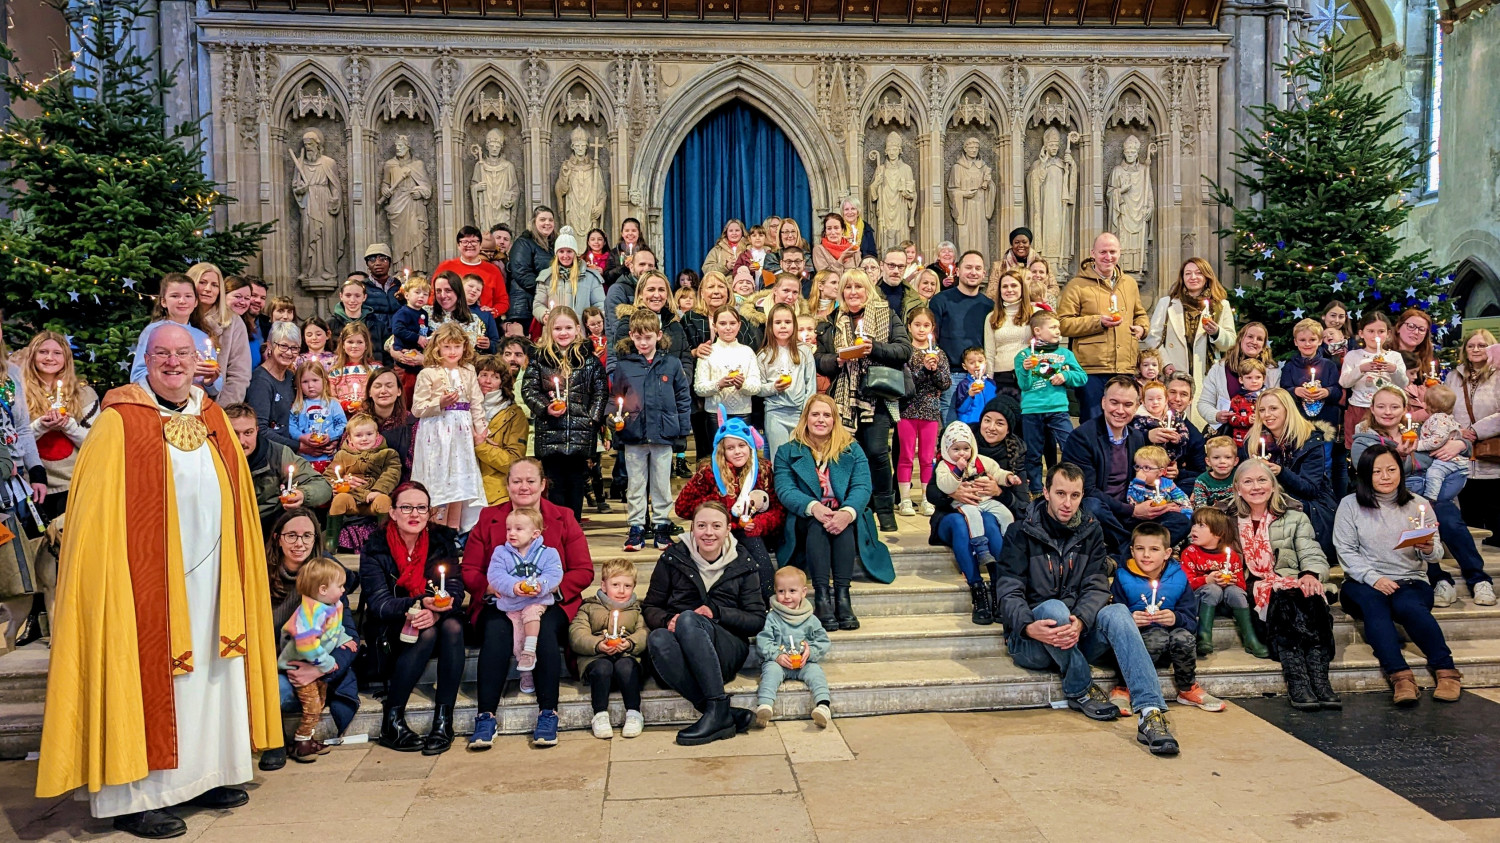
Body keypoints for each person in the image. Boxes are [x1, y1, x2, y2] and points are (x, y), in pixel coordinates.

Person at [36, 323, 280, 838]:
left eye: (183, 354)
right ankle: (138, 794)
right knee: (150, 677)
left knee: (212, 673)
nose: (173, 362)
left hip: (213, 581)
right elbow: (96, 517)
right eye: (162, 353)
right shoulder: (119, 421)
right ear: (146, 359)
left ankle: (208, 774)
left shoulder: (212, 414)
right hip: (141, 583)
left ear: (199, 361)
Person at [994, 463, 1180, 755]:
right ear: (1045, 493)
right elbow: (1008, 590)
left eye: (1075, 495)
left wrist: (1081, 621)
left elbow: (1096, 586)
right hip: (1032, 640)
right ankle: (1080, 688)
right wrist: (1028, 626)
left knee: (1117, 612)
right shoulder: (1020, 532)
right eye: (1060, 493)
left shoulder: (1091, 530)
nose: (1067, 503)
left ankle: (1150, 712)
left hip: (1076, 633)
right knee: (1053, 608)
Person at [461, 458, 595, 748]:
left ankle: (548, 713)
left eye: (530, 481)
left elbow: (583, 570)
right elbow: (470, 569)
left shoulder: (563, 517)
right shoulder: (489, 518)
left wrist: (550, 591)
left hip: (549, 601)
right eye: (517, 481)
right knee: (496, 632)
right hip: (500, 601)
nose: (523, 487)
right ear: (507, 485)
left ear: (543, 484)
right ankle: (485, 716)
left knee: (545, 631)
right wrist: (492, 589)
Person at [1333, 443, 1459, 706]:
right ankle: (1400, 676)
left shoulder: (1418, 504)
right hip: (1363, 582)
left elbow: (1435, 553)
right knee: (1373, 604)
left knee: (1410, 606)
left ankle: (1446, 670)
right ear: (1365, 475)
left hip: (1410, 579)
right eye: (1377, 472)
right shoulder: (1350, 505)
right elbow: (1345, 551)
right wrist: (1374, 579)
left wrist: (1427, 549)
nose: (1385, 476)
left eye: (1391, 469)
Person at [1351, 384, 1494, 607]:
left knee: (1449, 519)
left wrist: (1459, 444)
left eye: (1394, 406)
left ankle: (1479, 579)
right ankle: (1439, 579)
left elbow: (1456, 436)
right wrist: (1400, 456)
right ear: (1372, 408)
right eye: (1381, 406)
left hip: (1432, 496)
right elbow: (1370, 470)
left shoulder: (1420, 430)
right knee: (1417, 527)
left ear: (1404, 408)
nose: (1388, 412)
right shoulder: (1365, 439)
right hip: (1394, 501)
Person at [643, 501, 766, 746]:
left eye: (716, 526)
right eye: (701, 525)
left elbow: (756, 620)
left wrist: (717, 611)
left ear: (728, 529)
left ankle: (717, 712)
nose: (708, 532)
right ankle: (719, 711)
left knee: (690, 618)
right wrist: (667, 619)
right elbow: (650, 607)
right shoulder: (672, 558)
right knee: (657, 638)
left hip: (725, 648)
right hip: (680, 647)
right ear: (692, 529)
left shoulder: (744, 563)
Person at [360, 482, 466, 755]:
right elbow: (379, 604)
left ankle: (444, 721)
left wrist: (434, 610)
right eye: (406, 507)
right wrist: (418, 605)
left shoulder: (442, 540)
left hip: (435, 613)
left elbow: (454, 589)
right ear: (393, 512)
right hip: (392, 622)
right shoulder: (375, 546)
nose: (414, 514)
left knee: (453, 626)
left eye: (421, 508)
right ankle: (391, 720)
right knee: (426, 632)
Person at [1224, 459, 1338, 711]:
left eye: (1262, 480)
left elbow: (1311, 552)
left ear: (1274, 486)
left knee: (1311, 596)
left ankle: (1320, 681)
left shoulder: (1295, 517)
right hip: (1252, 586)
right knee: (1285, 601)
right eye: (1248, 481)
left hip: (1291, 580)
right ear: (1237, 488)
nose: (1256, 487)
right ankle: (1297, 679)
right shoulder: (1226, 519)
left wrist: (1310, 574)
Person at [774, 394, 894, 631]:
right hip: (806, 517)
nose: (821, 420)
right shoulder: (787, 451)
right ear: (805, 418)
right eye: (815, 414)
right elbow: (785, 490)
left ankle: (842, 597)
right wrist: (813, 507)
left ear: (835, 420)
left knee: (844, 524)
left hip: (844, 516)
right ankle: (821, 597)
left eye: (827, 415)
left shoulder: (852, 449)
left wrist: (847, 511)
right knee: (818, 524)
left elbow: (862, 486)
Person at [260, 509, 359, 773]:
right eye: (291, 535)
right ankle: (274, 740)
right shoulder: (258, 571)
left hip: (315, 664)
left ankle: (302, 738)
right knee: (272, 690)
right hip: (270, 661)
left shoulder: (326, 574)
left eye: (307, 535)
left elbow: (347, 632)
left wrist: (320, 666)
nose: (299, 543)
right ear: (278, 538)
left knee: (286, 692)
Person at [815, 269, 911, 532]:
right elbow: (818, 358)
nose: (853, 292)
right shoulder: (832, 320)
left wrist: (874, 348)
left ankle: (884, 509)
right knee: (849, 456)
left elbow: (904, 349)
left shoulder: (887, 314)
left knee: (877, 452)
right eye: (848, 288)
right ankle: (859, 507)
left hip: (876, 396)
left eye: (859, 287)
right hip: (843, 400)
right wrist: (837, 360)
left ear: (868, 289)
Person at [1062, 376, 1191, 558]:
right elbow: (1086, 490)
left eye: (1128, 404)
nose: (1120, 410)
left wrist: (1160, 484)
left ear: (1137, 406)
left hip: (1132, 508)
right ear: (1103, 402)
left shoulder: (1136, 437)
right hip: (1106, 513)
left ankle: (1125, 551)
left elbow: (1143, 474)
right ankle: (1135, 550)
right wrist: (1133, 511)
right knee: (1092, 506)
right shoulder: (1082, 437)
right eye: (1114, 403)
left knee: (1180, 521)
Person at [1109, 523, 1223, 713]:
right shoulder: (1122, 577)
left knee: (1184, 637)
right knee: (1155, 636)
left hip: (1171, 649)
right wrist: (1129, 620)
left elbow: (1190, 621)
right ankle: (1125, 687)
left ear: (1167, 552)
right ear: (1132, 550)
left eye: (1154, 549)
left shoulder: (1178, 578)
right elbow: (1111, 616)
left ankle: (1187, 688)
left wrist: (1175, 618)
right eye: (1140, 549)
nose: (1146, 555)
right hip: (1139, 645)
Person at [613, 309, 693, 552]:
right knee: (636, 484)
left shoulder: (671, 363)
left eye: (648, 337)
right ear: (631, 337)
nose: (643, 342)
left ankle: (661, 526)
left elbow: (682, 398)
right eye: (638, 338)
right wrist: (612, 421)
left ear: (658, 335)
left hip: (663, 434)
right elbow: (615, 397)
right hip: (634, 434)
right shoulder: (625, 365)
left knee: (661, 483)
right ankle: (636, 527)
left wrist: (682, 432)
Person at [523, 307, 607, 519]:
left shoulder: (589, 361)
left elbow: (600, 392)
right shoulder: (540, 360)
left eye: (568, 328)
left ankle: (573, 529)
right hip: (551, 433)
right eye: (557, 328)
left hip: (580, 434)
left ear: (578, 329)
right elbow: (529, 390)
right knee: (554, 486)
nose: (563, 333)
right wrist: (545, 407)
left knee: (576, 485)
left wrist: (591, 420)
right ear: (549, 330)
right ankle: (555, 530)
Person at [1056, 233, 1149, 425]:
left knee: (1124, 422)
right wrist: (1098, 322)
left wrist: (1142, 328)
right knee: (1093, 422)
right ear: (1093, 254)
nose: (1108, 257)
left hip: (1124, 366)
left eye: (1113, 252)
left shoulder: (1129, 284)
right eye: (1103, 252)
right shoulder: (1077, 286)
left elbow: (1140, 313)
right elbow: (1063, 324)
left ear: (1120, 253)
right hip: (1091, 369)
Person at [276, 556, 355, 762]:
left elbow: (336, 629)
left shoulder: (332, 604)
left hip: (316, 665)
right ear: (322, 589)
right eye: (340, 586)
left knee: (319, 702)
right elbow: (306, 644)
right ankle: (301, 742)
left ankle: (308, 739)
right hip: (299, 666)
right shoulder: (309, 614)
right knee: (311, 707)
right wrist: (327, 663)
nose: (343, 590)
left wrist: (345, 639)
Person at [411, 323, 487, 531]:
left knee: (459, 481)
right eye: (447, 347)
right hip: (436, 431)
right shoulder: (428, 374)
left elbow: (476, 403)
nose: (452, 352)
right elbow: (418, 408)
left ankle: (453, 530)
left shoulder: (468, 371)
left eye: (457, 346)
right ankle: (437, 529)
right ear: (437, 348)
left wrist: (480, 432)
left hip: (461, 432)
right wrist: (440, 404)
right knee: (438, 479)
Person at [1243, 388, 1336, 557]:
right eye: (1262, 410)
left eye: (1273, 408)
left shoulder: (1309, 439)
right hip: (1264, 497)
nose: (1267, 415)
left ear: (1287, 409)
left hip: (1304, 502)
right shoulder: (1253, 440)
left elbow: (1310, 489)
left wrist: (1280, 472)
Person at [1145, 258, 1236, 426]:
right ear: (1182, 277)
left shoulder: (1221, 305)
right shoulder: (1167, 303)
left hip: (1205, 373)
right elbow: (1153, 339)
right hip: (1174, 372)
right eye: (1188, 273)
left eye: (1198, 273)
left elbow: (1230, 342)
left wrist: (1216, 333)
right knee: (1173, 422)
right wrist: (1165, 363)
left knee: (1202, 423)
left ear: (1207, 276)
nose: (1193, 277)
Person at [21, 330, 98, 519]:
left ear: (66, 358)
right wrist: (40, 426)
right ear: (33, 356)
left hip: (76, 483)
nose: (49, 358)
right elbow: (13, 443)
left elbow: (96, 443)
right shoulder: (18, 395)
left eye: (57, 353)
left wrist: (68, 426)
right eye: (43, 352)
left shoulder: (85, 394)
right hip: (34, 485)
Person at [569, 558, 648, 739]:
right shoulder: (589, 607)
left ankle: (634, 712)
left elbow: (644, 632)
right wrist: (598, 645)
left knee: (626, 666)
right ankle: (600, 714)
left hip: (627, 658)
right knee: (603, 667)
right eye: (615, 584)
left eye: (627, 586)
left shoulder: (636, 610)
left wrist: (630, 643)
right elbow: (577, 634)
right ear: (603, 586)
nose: (621, 591)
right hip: (595, 659)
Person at [225, 402, 333, 533]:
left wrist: (303, 494)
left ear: (257, 431)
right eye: (234, 433)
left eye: (248, 433)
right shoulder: (209, 457)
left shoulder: (278, 453)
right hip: (225, 526)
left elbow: (322, 486)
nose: (241, 441)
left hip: (268, 525)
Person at [486, 506, 563, 677]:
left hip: (536, 601)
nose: (511, 533)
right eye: (508, 529)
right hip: (512, 604)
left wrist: (539, 586)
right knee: (517, 636)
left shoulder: (549, 553)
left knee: (531, 613)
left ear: (535, 534)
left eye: (518, 529)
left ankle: (529, 650)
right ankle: (525, 674)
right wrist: (514, 586)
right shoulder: (500, 553)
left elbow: (554, 574)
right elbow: (496, 575)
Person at [753, 566, 834, 729]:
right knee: (770, 672)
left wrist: (811, 651)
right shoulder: (773, 617)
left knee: (816, 674)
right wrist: (776, 655)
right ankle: (765, 706)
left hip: (804, 662)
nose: (786, 596)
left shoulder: (810, 619)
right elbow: (763, 640)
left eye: (792, 591)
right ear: (775, 591)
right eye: (781, 591)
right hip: (779, 662)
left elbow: (823, 640)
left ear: (803, 592)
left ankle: (823, 706)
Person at [1015, 311, 1085, 495]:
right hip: (1032, 410)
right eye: (1053, 327)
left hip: (1058, 409)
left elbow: (1082, 377)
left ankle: (1070, 485)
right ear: (1037, 331)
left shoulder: (1065, 354)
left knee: (1070, 445)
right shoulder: (1023, 356)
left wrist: (1065, 375)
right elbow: (1024, 385)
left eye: (1058, 327)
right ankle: (1036, 490)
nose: (1058, 331)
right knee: (1033, 452)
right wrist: (1025, 370)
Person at [1182, 506, 1265, 657]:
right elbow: (1185, 584)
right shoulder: (1190, 552)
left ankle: (1250, 638)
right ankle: (1204, 636)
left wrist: (1232, 581)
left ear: (1218, 533)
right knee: (1213, 589)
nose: (1194, 529)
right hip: (1201, 601)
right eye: (1194, 524)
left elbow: (1241, 584)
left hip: (1226, 604)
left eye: (1201, 525)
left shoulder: (1231, 555)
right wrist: (1207, 579)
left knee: (1235, 591)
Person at [129, 273, 224, 397]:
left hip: (195, 405)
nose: (182, 301)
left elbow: (215, 387)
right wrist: (184, 371)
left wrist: (210, 380)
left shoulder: (203, 336)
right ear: (163, 301)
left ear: (195, 302)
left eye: (188, 296)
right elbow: (138, 376)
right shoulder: (154, 332)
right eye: (175, 296)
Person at [928, 251, 995, 426]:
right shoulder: (941, 300)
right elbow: (933, 338)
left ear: (984, 273)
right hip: (951, 375)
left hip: (980, 376)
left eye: (978, 268)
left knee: (979, 427)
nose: (973, 272)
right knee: (952, 430)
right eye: (968, 267)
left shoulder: (989, 306)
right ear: (957, 271)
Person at [1448, 329, 1500, 548]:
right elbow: (1444, 409)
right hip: (1463, 458)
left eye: (1482, 345)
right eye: (1471, 345)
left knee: (1497, 519)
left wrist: (1476, 430)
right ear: (1465, 349)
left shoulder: (1499, 374)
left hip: (1493, 461)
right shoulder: (1453, 376)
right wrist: (1458, 431)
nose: (1476, 349)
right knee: (1470, 519)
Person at [897, 306, 950, 516]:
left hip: (930, 410)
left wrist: (935, 369)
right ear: (909, 327)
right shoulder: (905, 352)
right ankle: (905, 499)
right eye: (917, 325)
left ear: (932, 328)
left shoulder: (938, 353)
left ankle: (927, 498)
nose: (921, 329)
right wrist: (922, 370)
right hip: (907, 409)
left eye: (926, 325)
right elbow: (906, 383)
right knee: (906, 455)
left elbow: (945, 383)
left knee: (927, 457)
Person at [322, 414, 402, 549]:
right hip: (351, 498)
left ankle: (385, 541)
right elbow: (329, 475)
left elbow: (392, 473)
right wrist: (338, 484)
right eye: (359, 435)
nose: (364, 438)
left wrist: (378, 490)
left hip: (373, 498)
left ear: (377, 435)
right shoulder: (342, 455)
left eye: (369, 434)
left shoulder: (388, 454)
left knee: (384, 501)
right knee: (340, 499)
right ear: (350, 439)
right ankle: (331, 540)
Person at [756, 302, 818, 462]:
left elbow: (810, 385)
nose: (783, 326)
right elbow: (759, 389)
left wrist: (807, 412)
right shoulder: (763, 355)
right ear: (770, 326)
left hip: (799, 413)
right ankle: (781, 487)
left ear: (794, 325)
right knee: (780, 459)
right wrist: (774, 387)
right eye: (778, 322)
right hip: (775, 413)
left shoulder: (804, 351)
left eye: (787, 322)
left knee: (801, 458)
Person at [1339, 312, 1407, 447]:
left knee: (1386, 447)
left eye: (1381, 331)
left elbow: (1403, 383)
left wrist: (1393, 370)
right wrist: (1361, 369)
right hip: (1360, 408)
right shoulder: (1353, 356)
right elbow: (1344, 382)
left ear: (1388, 334)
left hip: (1386, 412)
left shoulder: (1394, 357)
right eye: (1370, 331)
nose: (1376, 336)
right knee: (1360, 447)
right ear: (1361, 333)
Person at [189, 262, 253, 404]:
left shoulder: (233, 322)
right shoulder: (178, 318)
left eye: (214, 285)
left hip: (215, 405)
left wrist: (222, 410)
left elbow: (239, 374)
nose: (208, 289)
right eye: (202, 282)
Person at [474, 358, 529, 506]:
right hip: (463, 490)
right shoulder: (461, 410)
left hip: (496, 494)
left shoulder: (514, 415)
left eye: (495, 377)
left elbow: (513, 462)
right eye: (483, 374)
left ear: (502, 382)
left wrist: (481, 445)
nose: (488, 381)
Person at [694, 305, 761, 421]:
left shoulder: (747, 352)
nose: (728, 328)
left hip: (743, 413)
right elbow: (699, 388)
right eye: (723, 323)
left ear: (739, 325)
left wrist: (742, 385)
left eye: (732, 323)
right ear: (715, 326)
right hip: (715, 414)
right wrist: (719, 384)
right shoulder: (708, 351)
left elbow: (756, 387)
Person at [246, 321, 303, 451]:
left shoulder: (291, 377)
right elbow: (261, 429)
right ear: (270, 345)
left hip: (292, 450)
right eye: (283, 346)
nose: (289, 353)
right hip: (271, 453)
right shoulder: (260, 380)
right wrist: (299, 447)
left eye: (294, 348)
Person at [533, 225, 606, 326]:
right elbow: (538, 305)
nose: (565, 256)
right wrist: (544, 315)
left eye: (569, 251)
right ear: (556, 254)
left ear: (575, 253)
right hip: (555, 331)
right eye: (561, 251)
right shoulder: (546, 277)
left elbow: (600, 304)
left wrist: (594, 321)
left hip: (581, 333)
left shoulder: (590, 278)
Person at [434, 225, 509, 317]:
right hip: (449, 321)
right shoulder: (445, 266)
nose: (469, 245)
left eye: (474, 241)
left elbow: (502, 301)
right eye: (465, 242)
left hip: (482, 323)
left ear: (480, 245)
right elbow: (433, 295)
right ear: (458, 245)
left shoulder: (493, 270)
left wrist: (492, 312)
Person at [982, 267, 1033, 400]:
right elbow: (990, 352)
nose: (1009, 290)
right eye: (1005, 286)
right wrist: (989, 382)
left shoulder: (1035, 313)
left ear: (1022, 288)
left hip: (1029, 374)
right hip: (1002, 377)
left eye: (1014, 285)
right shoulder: (991, 317)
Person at [287, 360, 346, 473]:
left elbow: (343, 424)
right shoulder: (298, 405)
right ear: (299, 384)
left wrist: (331, 436)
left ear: (324, 381)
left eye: (315, 380)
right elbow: (291, 426)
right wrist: (301, 437)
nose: (310, 386)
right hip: (304, 459)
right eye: (305, 381)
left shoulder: (332, 404)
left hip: (329, 459)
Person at [1416, 384, 1469, 501]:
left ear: (1429, 405)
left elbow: (1437, 440)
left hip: (1449, 460)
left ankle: (1431, 498)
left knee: (1434, 473)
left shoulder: (1438, 419)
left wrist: (1418, 445)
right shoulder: (1447, 417)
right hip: (1455, 460)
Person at [508, 206, 557, 333]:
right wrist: (546, 291)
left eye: (550, 220)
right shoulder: (523, 243)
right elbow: (521, 273)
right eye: (542, 219)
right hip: (524, 306)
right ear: (534, 222)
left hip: (541, 303)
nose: (547, 223)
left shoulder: (552, 246)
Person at [364, 367, 416, 478]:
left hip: (401, 483)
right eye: (377, 386)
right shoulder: (358, 421)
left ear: (399, 391)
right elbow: (344, 455)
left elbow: (414, 465)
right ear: (369, 392)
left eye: (389, 386)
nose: (383, 391)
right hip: (364, 481)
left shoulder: (411, 422)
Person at [328, 275, 391, 368]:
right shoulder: (330, 324)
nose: (352, 300)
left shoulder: (377, 324)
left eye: (357, 296)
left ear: (364, 297)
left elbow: (387, 357)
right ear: (341, 296)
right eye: (348, 295)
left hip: (373, 375)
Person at [389, 275, 431, 400]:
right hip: (404, 358)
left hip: (418, 357)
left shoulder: (423, 313)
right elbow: (398, 330)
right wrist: (417, 338)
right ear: (407, 295)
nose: (421, 296)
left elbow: (423, 329)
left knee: (417, 390)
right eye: (417, 292)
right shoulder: (403, 312)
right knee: (405, 390)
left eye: (425, 294)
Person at [603, 247, 660, 339]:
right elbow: (619, 329)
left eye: (650, 265)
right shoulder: (617, 290)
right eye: (642, 264)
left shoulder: (658, 292)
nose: (646, 268)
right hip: (625, 349)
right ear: (632, 268)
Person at [1124, 445, 1193, 515]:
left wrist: (1186, 514)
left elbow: (1183, 500)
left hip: (1167, 516)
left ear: (1161, 472)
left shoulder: (1168, 484)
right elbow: (1134, 503)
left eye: (1146, 468)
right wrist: (1139, 484)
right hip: (1146, 519)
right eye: (1138, 467)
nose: (1140, 471)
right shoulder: (1134, 485)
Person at [1191, 435, 1240, 512]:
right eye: (1216, 458)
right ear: (1208, 461)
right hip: (1212, 518)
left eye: (1228, 457)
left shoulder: (1240, 475)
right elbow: (1201, 509)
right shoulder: (1202, 481)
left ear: (1235, 461)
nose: (1222, 462)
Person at [952, 347, 997, 424]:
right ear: (964, 366)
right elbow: (961, 409)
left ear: (985, 363)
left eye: (980, 361)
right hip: (970, 423)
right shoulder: (964, 384)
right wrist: (970, 395)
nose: (977, 365)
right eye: (972, 363)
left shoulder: (991, 383)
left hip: (987, 425)